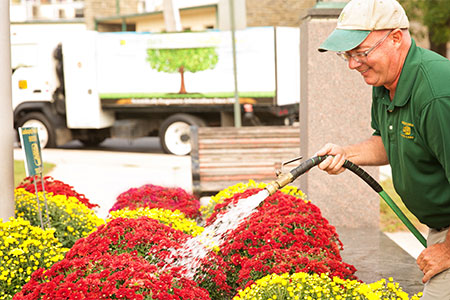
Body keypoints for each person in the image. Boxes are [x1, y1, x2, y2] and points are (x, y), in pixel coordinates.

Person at [315, 0, 450, 298]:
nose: (353, 64)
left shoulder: (437, 95)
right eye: (347, 55)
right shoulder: (385, 82)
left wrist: (447, 250)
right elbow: (387, 142)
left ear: (396, 38)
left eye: (361, 52)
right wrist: (346, 155)